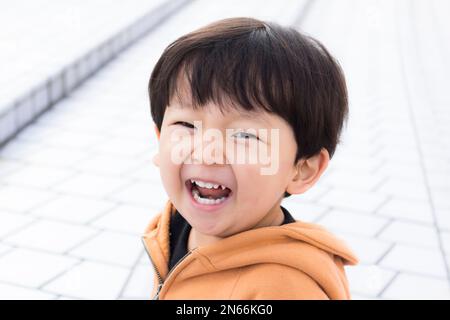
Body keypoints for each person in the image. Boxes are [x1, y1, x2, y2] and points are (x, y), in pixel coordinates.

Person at [142, 17, 359, 300]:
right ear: (161, 140)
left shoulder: (285, 288)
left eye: (244, 135)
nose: (207, 153)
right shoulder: (171, 230)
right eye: (187, 126)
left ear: (302, 169)